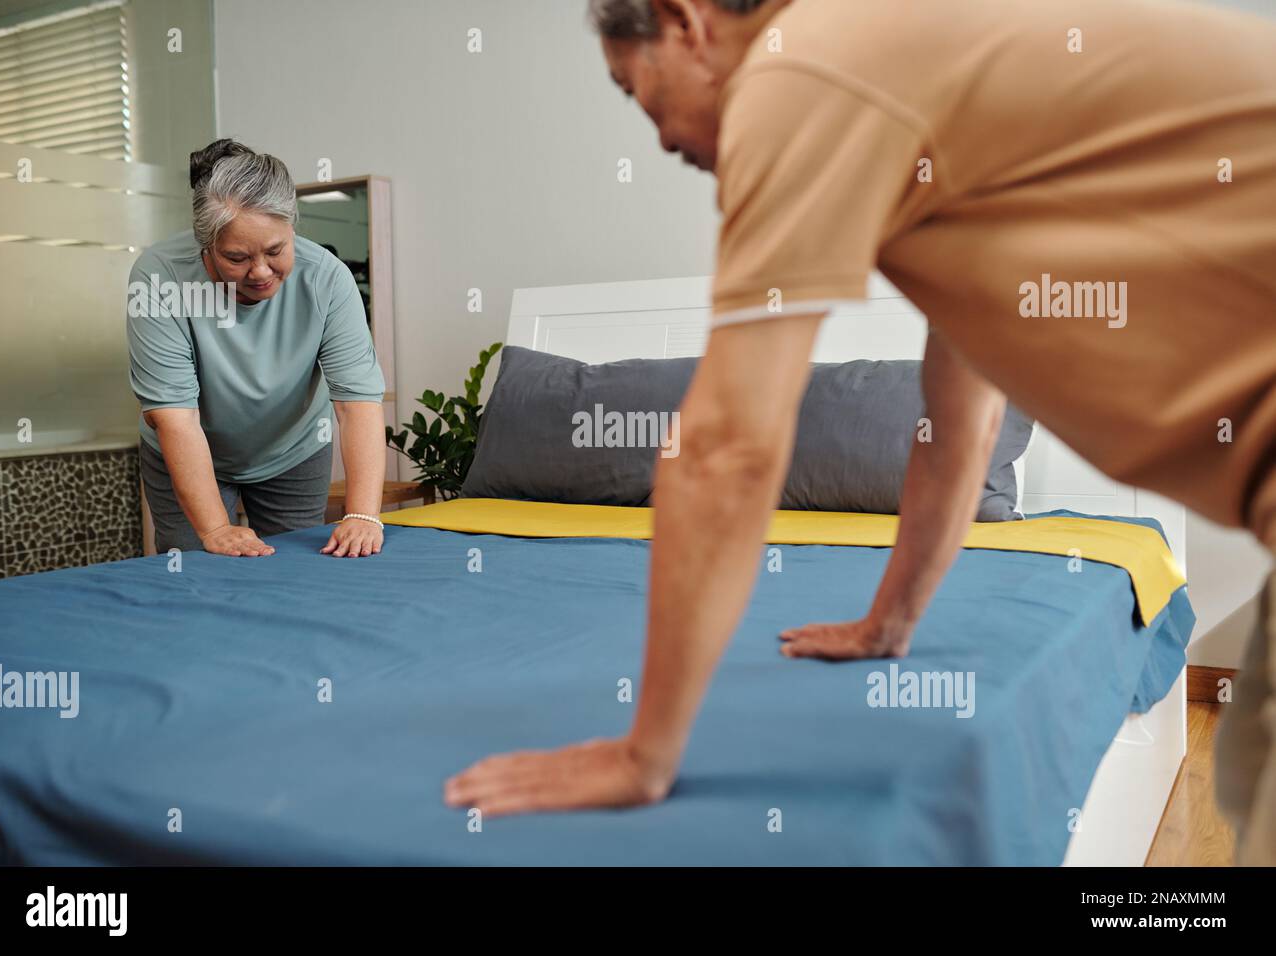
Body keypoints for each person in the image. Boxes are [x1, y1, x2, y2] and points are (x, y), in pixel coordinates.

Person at [445, 0, 1276, 863]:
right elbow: (959, 424)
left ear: (684, 21)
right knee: (1253, 766)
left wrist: (642, 755)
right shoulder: (933, 118)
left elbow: (727, 447)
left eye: (633, 90)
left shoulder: (800, 70)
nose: (654, 136)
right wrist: (890, 624)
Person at [128, 139, 388, 559]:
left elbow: (356, 403)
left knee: (297, 568)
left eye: (275, 250)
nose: (262, 272)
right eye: (237, 257)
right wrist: (214, 529)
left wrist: (362, 515)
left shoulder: (326, 277)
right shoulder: (159, 277)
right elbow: (175, 418)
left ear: (291, 227)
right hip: (190, 447)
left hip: (293, 449)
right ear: (206, 245)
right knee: (197, 567)